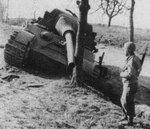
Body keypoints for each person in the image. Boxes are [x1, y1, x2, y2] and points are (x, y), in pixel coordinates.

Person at [120, 42, 142, 125]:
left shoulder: (132, 60)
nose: (123, 51)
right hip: (129, 84)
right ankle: (126, 116)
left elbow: (130, 74)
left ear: (128, 50)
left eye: (124, 49)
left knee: (126, 102)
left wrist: (121, 74)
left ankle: (130, 120)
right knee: (124, 100)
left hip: (130, 84)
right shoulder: (133, 58)